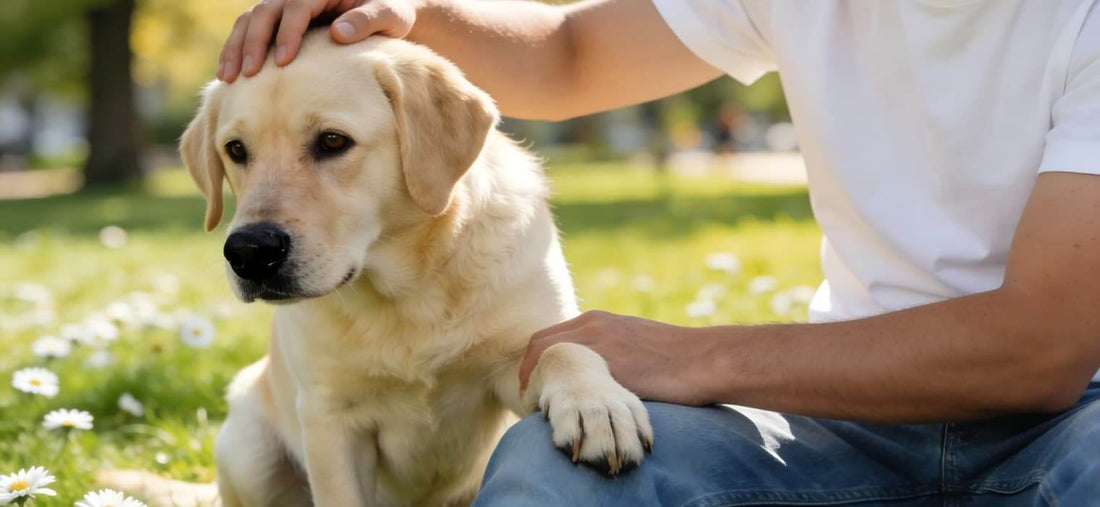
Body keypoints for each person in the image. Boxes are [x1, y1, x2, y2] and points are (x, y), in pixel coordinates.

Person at [218, 1, 1100, 504]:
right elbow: (570, 57)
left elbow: (1039, 352)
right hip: (848, 419)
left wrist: (698, 354)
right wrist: (405, 6)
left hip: (1076, 424)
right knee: (552, 480)